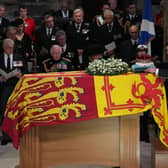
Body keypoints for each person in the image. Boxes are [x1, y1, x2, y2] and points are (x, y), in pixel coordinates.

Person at [0, 38, 27, 145]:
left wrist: (20, 75)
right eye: (8, 48)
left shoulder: (18, 57)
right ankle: (5, 136)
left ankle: (18, 134)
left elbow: (25, 71)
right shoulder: (0, 58)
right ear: (4, 48)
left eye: (12, 48)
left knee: (17, 110)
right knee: (4, 111)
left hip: (16, 87)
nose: (11, 50)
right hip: (3, 88)